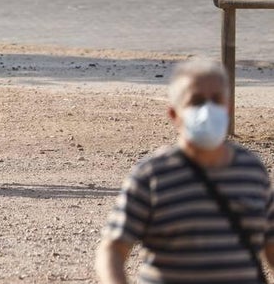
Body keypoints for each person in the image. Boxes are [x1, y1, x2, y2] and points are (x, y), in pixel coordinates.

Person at [96, 59, 274, 283]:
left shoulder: (252, 171)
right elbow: (113, 249)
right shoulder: (152, 175)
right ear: (174, 114)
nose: (208, 110)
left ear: (228, 109)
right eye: (197, 101)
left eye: (216, 100)